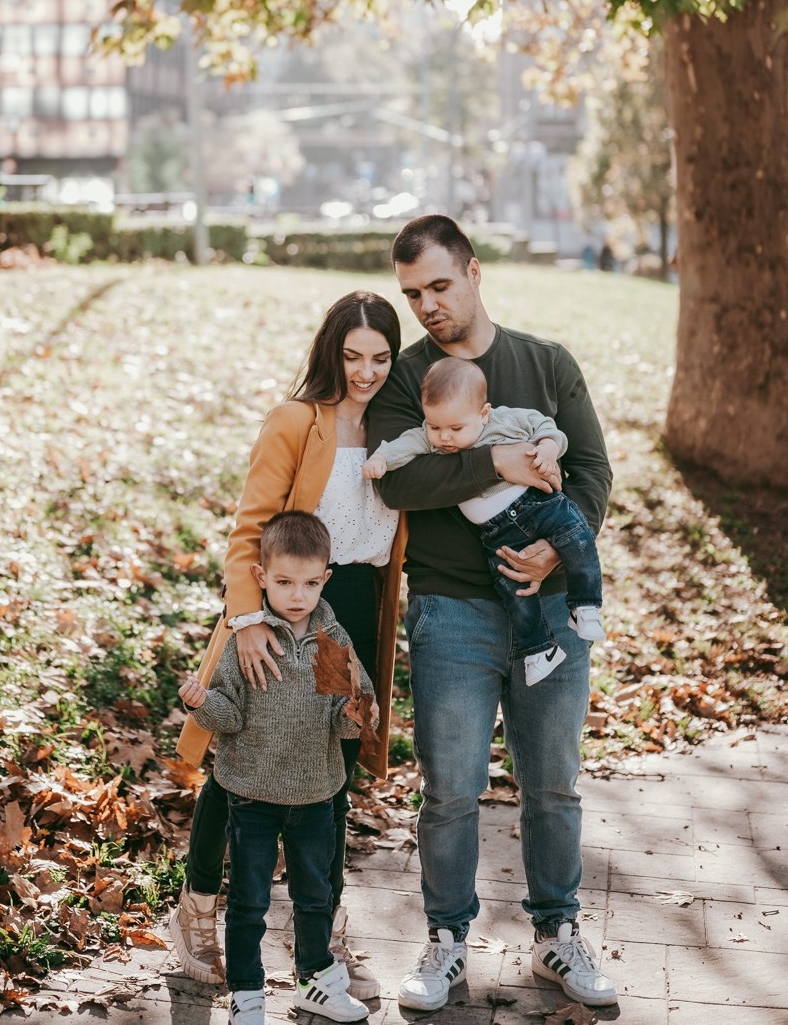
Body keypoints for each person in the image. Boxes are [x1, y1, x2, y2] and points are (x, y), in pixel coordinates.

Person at [366, 214, 617, 1014]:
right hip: (450, 613)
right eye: (413, 295)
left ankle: (557, 935)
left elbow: (594, 470)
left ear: (473, 272)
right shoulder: (408, 376)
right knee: (449, 790)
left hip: (549, 607)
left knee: (553, 785)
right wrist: (496, 463)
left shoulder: (544, 363)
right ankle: (445, 942)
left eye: (439, 285)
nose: (428, 306)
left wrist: (553, 549)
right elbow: (399, 483)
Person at [170, 291, 407, 1000]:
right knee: (242, 759)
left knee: (331, 759)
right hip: (283, 609)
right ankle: (198, 907)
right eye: (353, 355)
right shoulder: (297, 421)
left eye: (382, 358)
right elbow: (249, 530)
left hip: (353, 610)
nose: (366, 372)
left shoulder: (399, 428)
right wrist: (248, 623)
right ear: (331, 351)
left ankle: (321, 928)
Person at [180, 511, 376, 1024]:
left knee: (316, 897)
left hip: (315, 795)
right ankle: (247, 992)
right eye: (285, 582)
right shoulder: (250, 639)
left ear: (325, 579)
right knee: (249, 902)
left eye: (310, 584)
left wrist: (356, 714)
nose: (297, 595)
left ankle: (316, 980)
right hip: (253, 795)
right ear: (261, 577)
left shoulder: (331, 642)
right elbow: (231, 716)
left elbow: (349, 714)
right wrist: (202, 703)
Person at [363, 355, 605, 685]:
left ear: (483, 414)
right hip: (498, 533)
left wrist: (548, 449)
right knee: (513, 589)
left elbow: (547, 427)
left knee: (575, 535)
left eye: (455, 429)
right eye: (435, 428)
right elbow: (401, 447)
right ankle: (539, 650)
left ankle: (586, 604)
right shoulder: (431, 437)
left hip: (537, 505)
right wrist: (379, 460)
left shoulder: (506, 422)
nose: (444, 438)